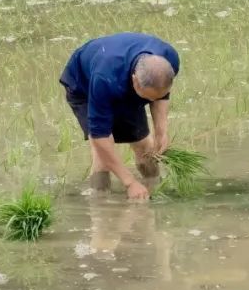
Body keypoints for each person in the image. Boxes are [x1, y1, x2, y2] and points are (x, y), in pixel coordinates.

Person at [60, 32, 179, 200]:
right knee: (100, 154)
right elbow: (100, 138)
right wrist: (130, 182)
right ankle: (100, 205)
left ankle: (153, 188)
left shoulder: (169, 58)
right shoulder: (104, 80)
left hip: (124, 78)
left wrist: (161, 132)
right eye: (147, 98)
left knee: (145, 146)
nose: (150, 102)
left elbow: (160, 94)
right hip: (84, 84)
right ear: (134, 81)